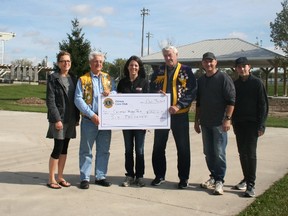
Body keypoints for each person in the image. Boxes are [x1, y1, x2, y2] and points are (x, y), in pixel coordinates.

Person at [149, 45, 197, 189]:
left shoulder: (186, 70)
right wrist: (156, 94)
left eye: (170, 55)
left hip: (179, 116)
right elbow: (151, 88)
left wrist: (179, 105)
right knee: (158, 147)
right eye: (165, 56)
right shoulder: (158, 71)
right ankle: (159, 175)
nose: (168, 58)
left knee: (182, 148)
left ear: (176, 55)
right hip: (161, 116)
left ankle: (183, 178)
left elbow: (192, 91)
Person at [194, 52, 236, 195]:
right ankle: (213, 177)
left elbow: (231, 100)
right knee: (208, 152)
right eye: (205, 62)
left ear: (216, 62)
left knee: (219, 153)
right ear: (202, 64)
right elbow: (198, 103)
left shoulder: (223, 78)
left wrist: (228, 118)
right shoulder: (200, 81)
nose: (208, 64)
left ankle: (220, 181)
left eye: (211, 61)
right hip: (205, 122)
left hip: (219, 123)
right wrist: (196, 121)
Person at [74, 51, 116, 189]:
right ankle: (85, 178)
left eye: (101, 62)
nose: (99, 64)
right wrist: (92, 115)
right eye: (96, 61)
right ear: (90, 63)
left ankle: (100, 176)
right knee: (86, 150)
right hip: (89, 120)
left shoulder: (108, 79)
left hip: (106, 120)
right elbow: (78, 99)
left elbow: (116, 94)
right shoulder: (83, 79)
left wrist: (111, 93)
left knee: (104, 150)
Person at [232, 57, 268, 197]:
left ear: (249, 67)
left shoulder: (257, 83)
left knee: (251, 154)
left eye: (244, 66)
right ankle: (246, 179)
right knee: (242, 153)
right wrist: (233, 122)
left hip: (253, 124)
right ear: (236, 69)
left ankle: (251, 185)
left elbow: (263, 105)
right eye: (239, 67)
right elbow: (232, 104)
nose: (241, 69)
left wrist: (262, 125)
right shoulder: (235, 84)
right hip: (239, 124)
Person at [46, 51, 80, 189]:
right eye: (63, 61)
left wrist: (77, 118)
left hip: (71, 119)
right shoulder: (53, 78)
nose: (66, 63)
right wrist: (56, 119)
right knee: (57, 148)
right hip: (59, 120)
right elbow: (50, 100)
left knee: (65, 149)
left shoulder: (73, 78)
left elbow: (76, 99)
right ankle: (51, 178)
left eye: (68, 61)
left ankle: (60, 177)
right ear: (58, 63)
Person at [117, 55, 149, 187]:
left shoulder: (144, 82)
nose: (133, 67)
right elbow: (116, 101)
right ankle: (129, 175)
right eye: (131, 65)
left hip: (140, 124)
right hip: (126, 123)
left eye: (136, 65)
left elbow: (149, 103)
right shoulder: (122, 82)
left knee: (140, 150)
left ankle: (140, 176)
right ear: (127, 67)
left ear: (139, 67)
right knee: (128, 149)